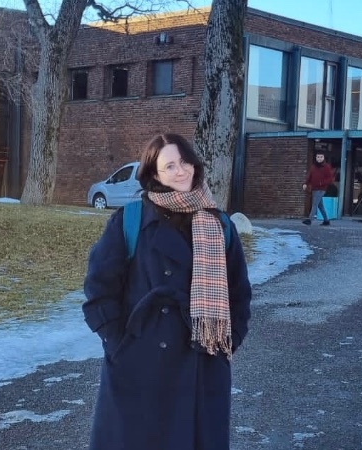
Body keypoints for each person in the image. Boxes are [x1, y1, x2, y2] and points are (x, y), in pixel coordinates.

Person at [82, 133, 252, 450]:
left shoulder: (219, 225)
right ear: (155, 174)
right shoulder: (130, 219)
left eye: (185, 161)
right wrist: (117, 343)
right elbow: (99, 288)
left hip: (202, 361)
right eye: (169, 166)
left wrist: (226, 343)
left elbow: (239, 294)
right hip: (138, 361)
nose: (180, 170)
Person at [302, 151, 335, 226]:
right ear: (316, 158)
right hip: (314, 188)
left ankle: (309, 219)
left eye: (321, 157)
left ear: (323, 158)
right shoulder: (313, 167)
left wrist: (321, 183)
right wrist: (305, 183)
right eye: (318, 157)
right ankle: (326, 220)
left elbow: (330, 178)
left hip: (321, 189)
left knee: (314, 204)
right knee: (320, 205)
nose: (319, 158)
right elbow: (309, 176)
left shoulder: (327, 167)